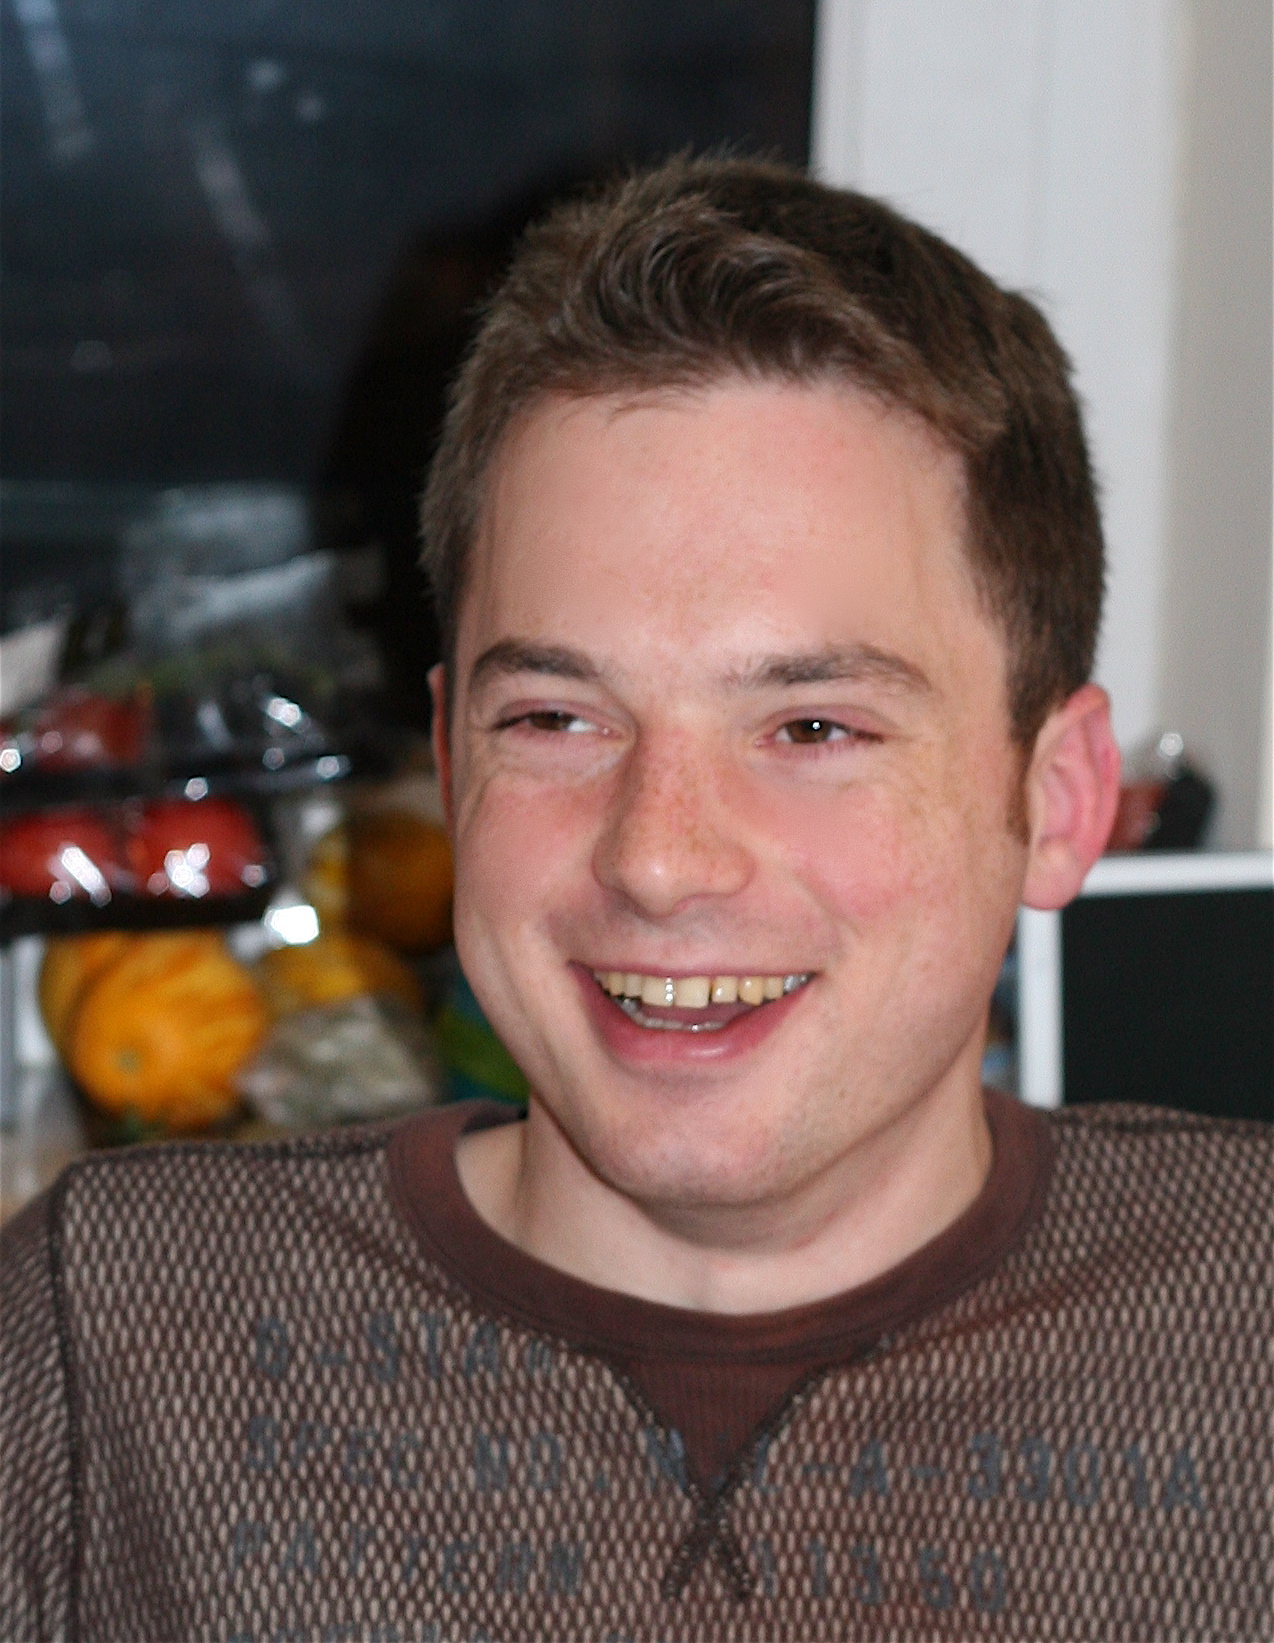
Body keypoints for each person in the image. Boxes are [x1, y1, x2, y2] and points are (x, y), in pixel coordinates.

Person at [2, 155, 1269, 1643]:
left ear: (1054, 801)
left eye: (812, 728)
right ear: (451, 767)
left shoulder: (1243, 1330)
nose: (658, 859)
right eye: (555, 719)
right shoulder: (111, 1338)